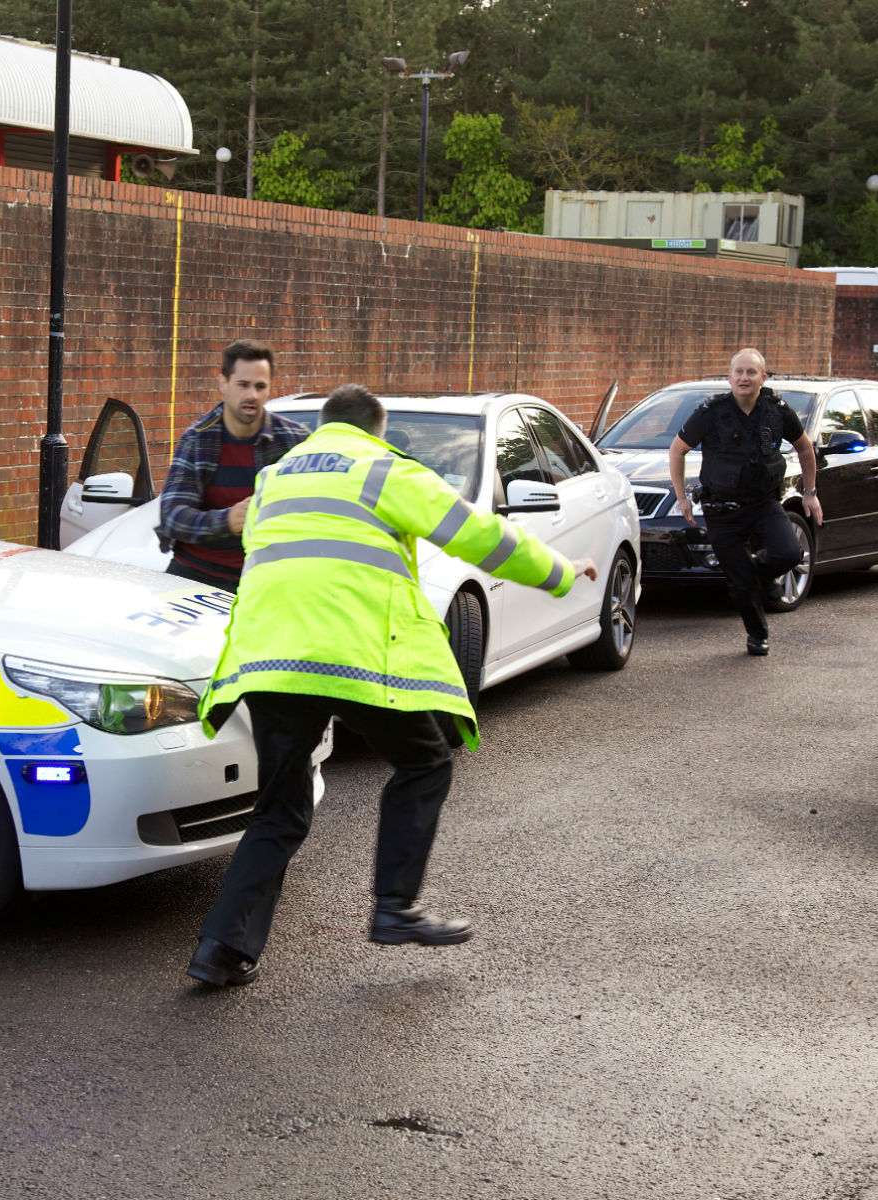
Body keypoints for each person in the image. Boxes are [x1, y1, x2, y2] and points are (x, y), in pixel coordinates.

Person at [185, 383, 598, 987]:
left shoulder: (276, 478)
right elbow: (478, 534)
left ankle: (220, 949)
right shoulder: (384, 468)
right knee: (425, 762)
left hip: (267, 659)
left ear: (324, 426)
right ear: (375, 430)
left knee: (278, 808)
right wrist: (561, 572)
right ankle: (395, 906)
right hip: (351, 655)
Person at [668, 348, 823, 656]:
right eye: (738, 372)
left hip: (763, 504)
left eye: (751, 372)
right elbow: (677, 450)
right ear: (729, 377)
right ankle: (757, 634)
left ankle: (757, 574)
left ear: (762, 378)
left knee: (790, 553)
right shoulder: (711, 412)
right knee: (740, 586)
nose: (744, 377)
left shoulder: (776, 410)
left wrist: (810, 492)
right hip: (721, 510)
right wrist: (682, 497)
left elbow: (805, 449)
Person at [156, 340, 310, 590]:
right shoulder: (197, 439)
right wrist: (227, 519)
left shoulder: (294, 440)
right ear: (223, 384)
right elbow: (172, 516)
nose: (252, 395)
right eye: (243, 385)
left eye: (260, 386)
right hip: (197, 573)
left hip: (267, 575)